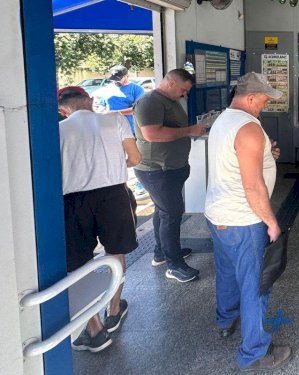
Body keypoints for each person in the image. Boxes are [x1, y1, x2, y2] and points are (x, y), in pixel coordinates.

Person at [204, 72, 291, 371]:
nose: (264, 106)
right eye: (264, 100)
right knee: (256, 285)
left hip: (218, 215)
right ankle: (254, 351)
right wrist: (271, 221)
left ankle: (225, 320)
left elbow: (239, 160)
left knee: (227, 273)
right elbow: (253, 187)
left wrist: (268, 154)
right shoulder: (249, 129)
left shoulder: (224, 120)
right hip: (244, 219)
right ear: (251, 97)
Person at [57, 86, 141, 352]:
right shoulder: (114, 120)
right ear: (90, 101)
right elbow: (135, 158)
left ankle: (94, 329)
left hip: (72, 201)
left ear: (62, 110)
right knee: (116, 253)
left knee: (79, 262)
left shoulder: (57, 130)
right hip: (113, 196)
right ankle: (114, 310)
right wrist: (116, 164)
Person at [133, 68, 206, 282]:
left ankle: (162, 252)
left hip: (172, 168)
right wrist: (189, 131)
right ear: (171, 82)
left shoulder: (170, 101)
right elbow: (152, 134)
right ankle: (174, 265)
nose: (184, 94)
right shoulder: (150, 102)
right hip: (156, 170)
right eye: (183, 89)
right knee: (172, 213)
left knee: (163, 212)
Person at [97, 65, 149, 199]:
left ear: (127, 76)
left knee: (136, 158)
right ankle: (120, 184)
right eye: (114, 79)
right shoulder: (106, 90)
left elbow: (137, 109)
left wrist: (116, 112)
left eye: (119, 78)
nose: (116, 81)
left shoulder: (136, 89)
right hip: (111, 130)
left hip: (131, 130)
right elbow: (101, 106)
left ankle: (140, 184)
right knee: (116, 158)